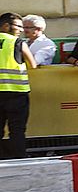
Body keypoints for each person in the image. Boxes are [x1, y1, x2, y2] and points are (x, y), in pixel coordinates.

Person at [0, 13, 37, 159]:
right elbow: (32, 64)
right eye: (18, 26)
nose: (21, 30)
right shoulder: (17, 42)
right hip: (16, 94)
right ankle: (19, 158)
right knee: (17, 130)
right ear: (6, 26)